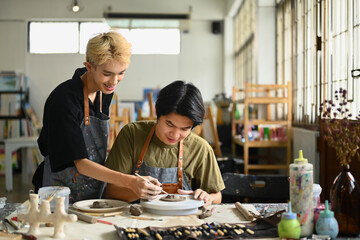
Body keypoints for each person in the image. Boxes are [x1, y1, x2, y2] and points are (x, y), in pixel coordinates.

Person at [32, 31, 162, 203]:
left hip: (92, 188)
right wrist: (131, 181)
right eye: (107, 73)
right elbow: (81, 163)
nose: (114, 81)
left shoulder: (104, 92)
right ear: (89, 66)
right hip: (58, 193)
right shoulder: (64, 101)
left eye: (121, 73)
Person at [105, 80, 225, 206]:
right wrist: (137, 191)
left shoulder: (201, 148)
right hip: (136, 218)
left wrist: (207, 197)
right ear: (158, 113)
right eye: (169, 124)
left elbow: (217, 196)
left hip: (183, 220)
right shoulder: (132, 134)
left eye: (185, 129)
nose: (175, 135)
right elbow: (111, 192)